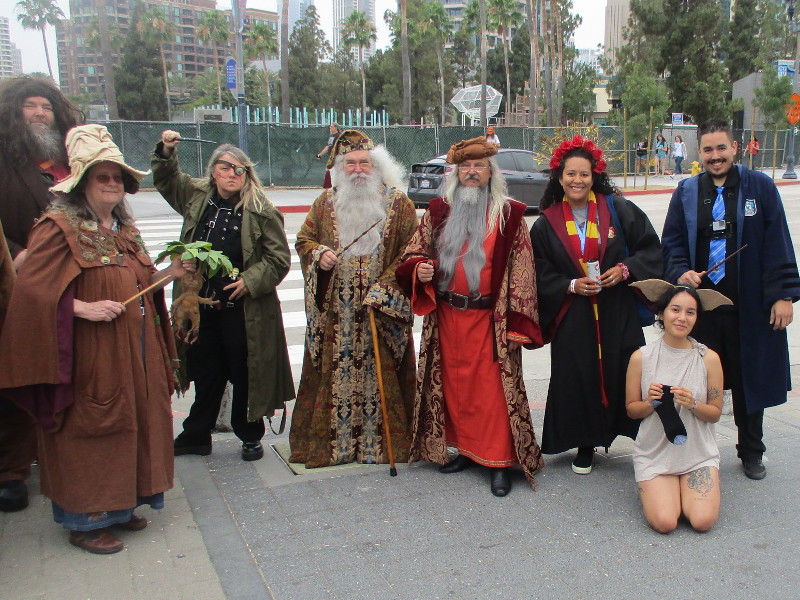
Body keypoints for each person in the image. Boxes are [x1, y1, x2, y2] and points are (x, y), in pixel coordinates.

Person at [0, 124, 188, 554]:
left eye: (117, 177)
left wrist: (171, 273)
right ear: (81, 182)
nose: (111, 183)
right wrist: (81, 309)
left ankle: (121, 506)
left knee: (132, 420)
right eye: (101, 176)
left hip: (135, 350)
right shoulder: (57, 228)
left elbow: (140, 283)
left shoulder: (124, 229)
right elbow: (29, 293)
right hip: (89, 354)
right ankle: (84, 520)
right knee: (91, 426)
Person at [396, 137, 544, 497]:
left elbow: (523, 272)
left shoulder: (510, 215)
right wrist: (419, 269)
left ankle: (499, 462)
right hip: (447, 318)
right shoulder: (438, 211)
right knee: (455, 389)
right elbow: (412, 253)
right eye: (465, 167)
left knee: (492, 394)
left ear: (491, 172)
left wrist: (518, 323)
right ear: (456, 173)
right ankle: (465, 450)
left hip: (490, 322)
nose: (472, 172)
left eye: (479, 166)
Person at [661, 119, 800, 480]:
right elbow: (672, 241)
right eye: (708, 150)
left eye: (721, 148)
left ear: (735, 148)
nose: (715, 156)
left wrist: (782, 296)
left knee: (749, 381)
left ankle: (751, 450)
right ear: (700, 152)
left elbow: (777, 241)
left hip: (749, 307)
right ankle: (694, 450)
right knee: (698, 382)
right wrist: (681, 272)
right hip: (703, 310)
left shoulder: (760, 187)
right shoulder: (687, 192)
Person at [154, 131, 295, 462]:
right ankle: (196, 435)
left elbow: (278, 260)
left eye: (239, 169)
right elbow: (167, 180)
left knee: (244, 372)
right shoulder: (196, 195)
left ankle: (250, 435)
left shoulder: (261, 210)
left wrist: (249, 280)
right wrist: (166, 152)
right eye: (225, 168)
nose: (233, 174)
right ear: (213, 171)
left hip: (243, 310)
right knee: (206, 372)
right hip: (201, 305)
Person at [529, 136, 663, 474]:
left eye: (584, 174)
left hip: (617, 310)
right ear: (560, 177)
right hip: (573, 315)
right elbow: (537, 271)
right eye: (571, 174)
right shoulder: (546, 223)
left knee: (627, 370)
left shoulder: (617, 209)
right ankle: (585, 444)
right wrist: (571, 284)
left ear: (594, 176)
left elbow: (650, 248)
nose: (577, 180)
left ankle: (641, 438)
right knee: (579, 375)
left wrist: (624, 269)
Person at [290, 129, 418, 468]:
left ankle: (381, 447)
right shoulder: (324, 204)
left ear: (376, 166)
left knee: (382, 375)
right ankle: (337, 448)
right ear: (338, 167)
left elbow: (412, 251)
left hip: (381, 312)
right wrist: (318, 254)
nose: (358, 169)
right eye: (350, 163)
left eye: (364, 162)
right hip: (337, 316)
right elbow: (303, 241)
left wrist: (384, 290)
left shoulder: (398, 204)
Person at [0, 75, 83, 513]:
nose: (38, 113)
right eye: (30, 105)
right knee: (20, 372)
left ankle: (54, 454)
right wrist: (13, 254)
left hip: (75, 282)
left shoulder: (70, 161)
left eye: (46, 107)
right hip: (18, 287)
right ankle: (10, 469)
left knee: (68, 371)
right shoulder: (5, 160)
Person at [626, 282, 728, 533]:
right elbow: (631, 410)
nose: (682, 317)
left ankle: (683, 488)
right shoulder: (641, 357)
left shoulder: (709, 358)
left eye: (690, 312)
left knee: (702, 521)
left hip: (697, 454)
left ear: (696, 318)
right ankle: (661, 487)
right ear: (661, 313)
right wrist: (649, 403)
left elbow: (715, 414)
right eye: (675, 309)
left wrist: (694, 404)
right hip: (655, 453)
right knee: (665, 522)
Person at [316, 123, 341, 189]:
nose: (330, 127)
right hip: (331, 157)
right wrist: (320, 154)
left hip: (337, 157)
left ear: (336, 127)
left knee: (335, 172)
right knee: (330, 171)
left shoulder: (339, 136)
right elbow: (328, 146)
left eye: (331, 126)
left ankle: (335, 187)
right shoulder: (331, 136)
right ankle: (332, 187)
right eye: (330, 126)